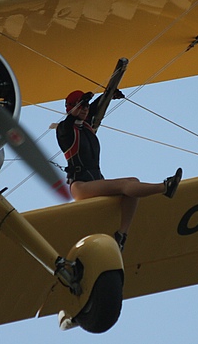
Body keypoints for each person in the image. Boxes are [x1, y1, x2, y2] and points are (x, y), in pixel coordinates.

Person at [56, 89, 182, 251]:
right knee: (124, 185)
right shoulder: (64, 131)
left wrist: (108, 94)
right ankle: (164, 187)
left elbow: (96, 107)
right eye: (81, 105)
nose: (85, 108)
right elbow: (69, 120)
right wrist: (80, 104)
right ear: (72, 108)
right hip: (80, 186)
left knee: (133, 183)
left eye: (86, 105)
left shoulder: (86, 125)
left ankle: (122, 234)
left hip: (96, 181)